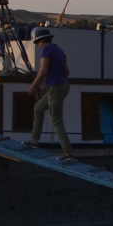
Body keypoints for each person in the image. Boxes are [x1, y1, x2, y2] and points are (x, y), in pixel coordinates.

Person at [28, 27, 71, 156]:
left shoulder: (46, 50)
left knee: (56, 120)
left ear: (40, 41)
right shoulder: (58, 50)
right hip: (63, 86)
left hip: (55, 88)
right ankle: (34, 141)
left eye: (36, 43)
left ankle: (68, 153)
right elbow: (66, 71)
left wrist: (33, 86)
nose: (37, 46)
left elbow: (43, 71)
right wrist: (48, 85)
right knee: (38, 108)